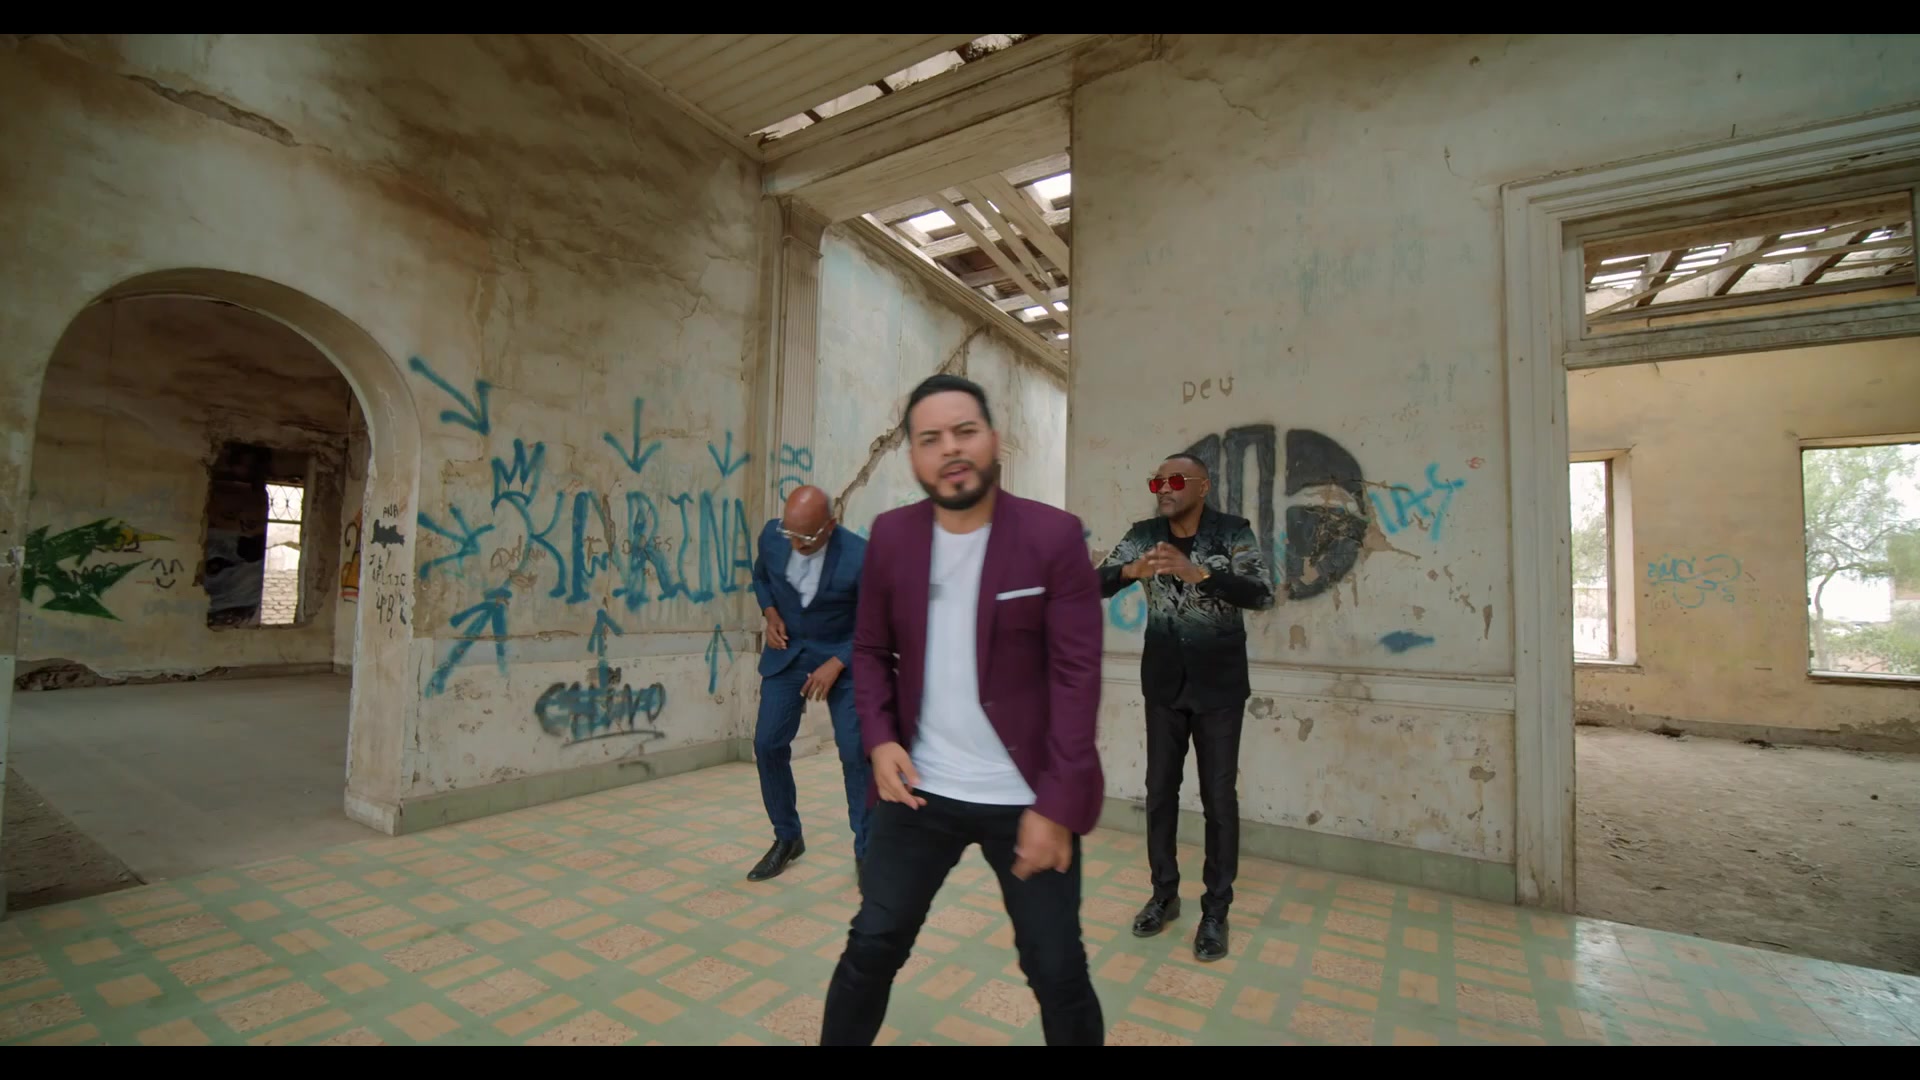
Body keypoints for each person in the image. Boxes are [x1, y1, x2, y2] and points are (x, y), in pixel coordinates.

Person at [820, 373, 1106, 1046]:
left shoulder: (1053, 536)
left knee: (1057, 968)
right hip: (920, 790)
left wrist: (1057, 806)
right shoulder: (892, 536)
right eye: (930, 438)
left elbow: (1077, 677)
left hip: (1026, 796)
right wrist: (880, 739)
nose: (950, 448)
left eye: (964, 431)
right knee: (872, 944)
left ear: (993, 440)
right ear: (914, 458)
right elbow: (869, 650)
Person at [1096, 453, 1273, 962]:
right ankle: (1164, 895)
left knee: (1218, 800)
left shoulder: (1232, 532)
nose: (1165, 489)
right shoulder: (1144, 534)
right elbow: (1092, 583)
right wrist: (1129, 570)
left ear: (1203, 486)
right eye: (1157, 482)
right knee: (1159, 793)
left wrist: (1200, 575)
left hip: (1219, 689)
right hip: (1164, 687)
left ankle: (1215, 911)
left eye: (1175, 480)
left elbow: (1261, 594)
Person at [746, 485, 870, 882]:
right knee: (767, 744)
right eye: (791, 534)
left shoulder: (860, 557)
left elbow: (877, 620)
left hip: (842, 658)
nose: (796, 545)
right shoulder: (773, 536)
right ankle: (787, 837)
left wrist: (839, 661)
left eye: (807, 538)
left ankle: (867, 851)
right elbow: (761, 576)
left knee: (855, 752)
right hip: (789, 653)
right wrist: (769, 613)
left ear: (831, 526)